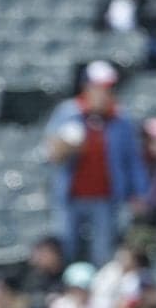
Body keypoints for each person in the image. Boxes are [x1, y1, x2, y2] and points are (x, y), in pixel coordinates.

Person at [44, 60, 149, 265]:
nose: (104, 93)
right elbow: (49, 154)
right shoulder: (68, 113)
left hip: (105, 197)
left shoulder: (121, 118)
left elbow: (132, 159)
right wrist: (67, 147)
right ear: (87, 87)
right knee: (67, 248)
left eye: (108, 88)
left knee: (102, 253)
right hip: (70, 197)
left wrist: (139, 193)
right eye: (99, 87)